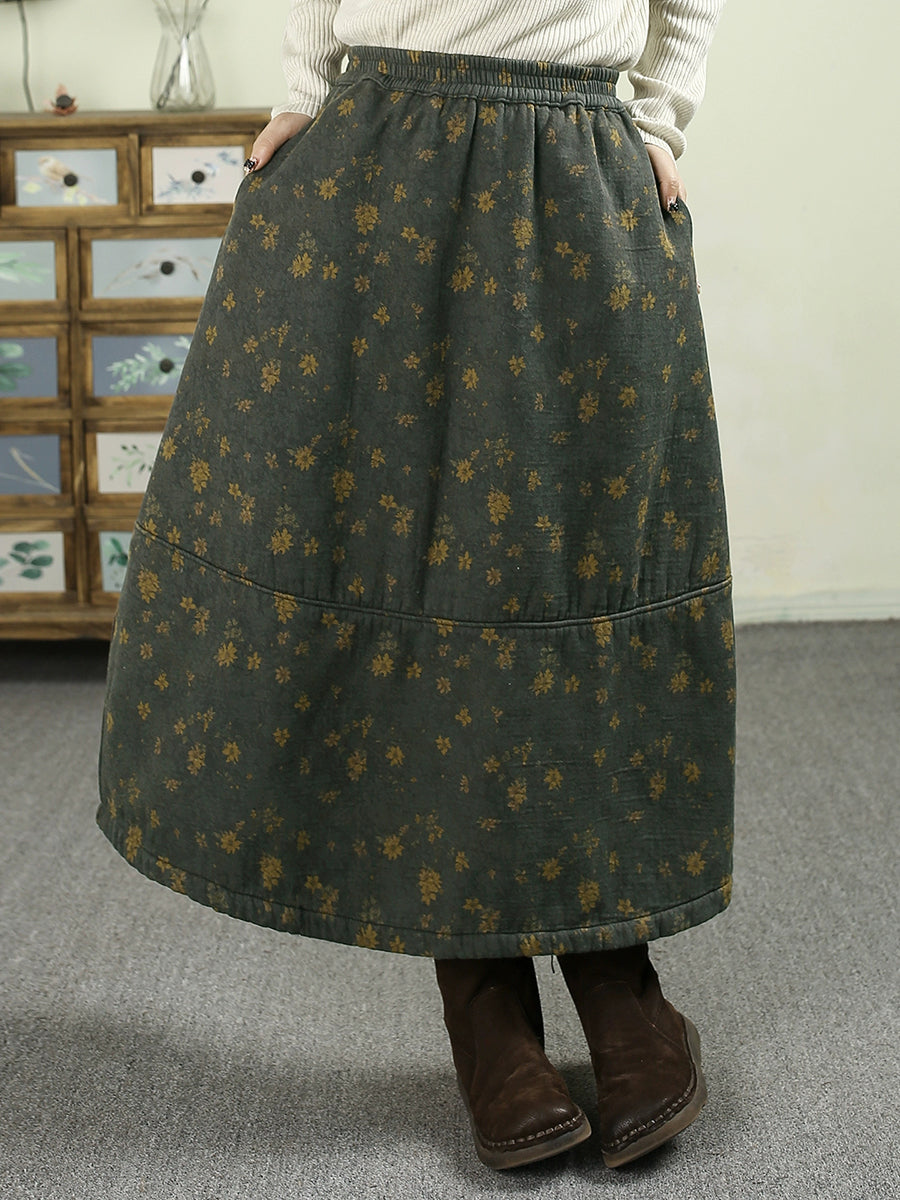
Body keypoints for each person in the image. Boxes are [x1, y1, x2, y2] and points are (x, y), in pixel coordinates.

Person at [98, 0, 735, 1172]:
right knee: (413, 573)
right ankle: (483, 1002)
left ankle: (618, 979)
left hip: (572, 151)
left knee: (573, 580)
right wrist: (305, 90)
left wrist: (658, 117)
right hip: (379, 144)